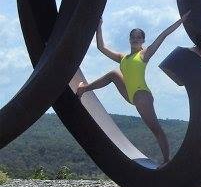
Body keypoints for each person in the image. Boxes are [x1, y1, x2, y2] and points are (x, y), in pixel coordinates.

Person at [75, 12, 190, 163]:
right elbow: (101, 47)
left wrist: (181, 21)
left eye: (138, 37)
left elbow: (163, 35)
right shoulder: (123, 58)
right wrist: (99, 27)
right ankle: (83, 89)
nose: (135, 39)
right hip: (129, 95)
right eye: (133, 37)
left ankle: (167, 160)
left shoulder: (144, 54)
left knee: (155, 128)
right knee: (113, 75)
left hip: (142, 95)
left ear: (143, 40)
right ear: (129, 40)